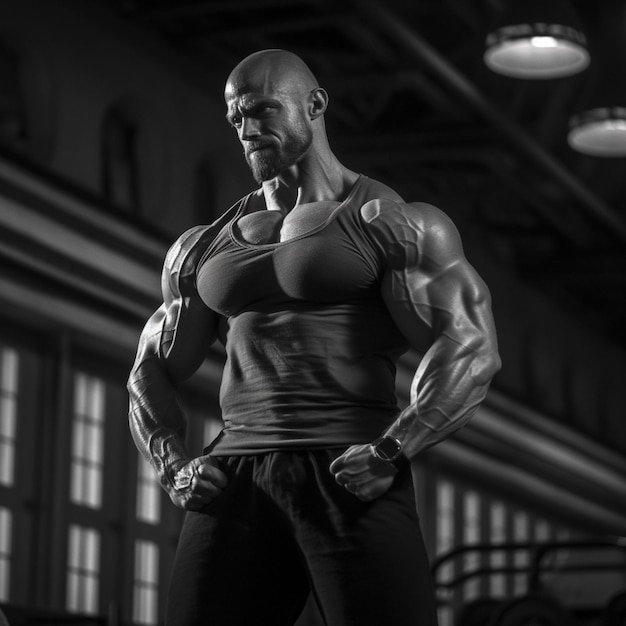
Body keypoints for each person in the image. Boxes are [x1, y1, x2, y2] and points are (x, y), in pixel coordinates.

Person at [127, 49, 501, 626]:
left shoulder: (391, 221)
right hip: (233, 475)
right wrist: (172, 461)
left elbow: (470, 346)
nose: (248, 130)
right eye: (236, 119)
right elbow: (149, 366)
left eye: (263, 110)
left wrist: (392, 448)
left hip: (349, 469)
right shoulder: (202, 245)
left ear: (316, 104)